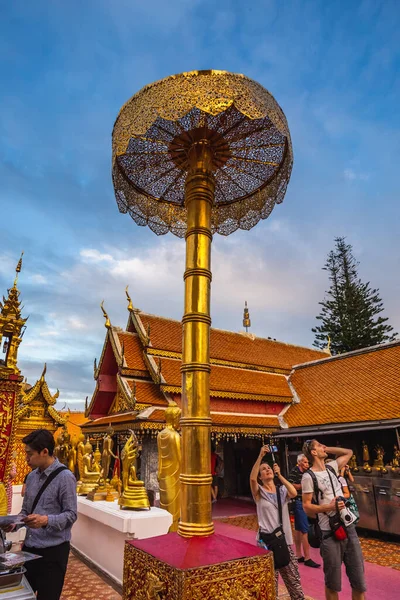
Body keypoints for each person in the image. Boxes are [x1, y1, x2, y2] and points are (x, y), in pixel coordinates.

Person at [302, 440, 366, 600]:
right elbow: (306, 506)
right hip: (328, 532)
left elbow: (348, 452)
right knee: (332, 583)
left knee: (359, 582)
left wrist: (326, 448)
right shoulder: (308, 477)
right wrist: (328, 508)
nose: (324, 447)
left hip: (348, 528)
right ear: (313, 453)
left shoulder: (332, 468)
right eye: (319, 446)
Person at [20, 429, 77, 600]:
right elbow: (25, 511)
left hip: (53, 552)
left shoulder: (65, 477)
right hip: (30, 548)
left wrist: (46, 520)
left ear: (45, 451)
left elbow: (71, 515)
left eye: (29, 454)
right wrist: (15, 522)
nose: (26, 459)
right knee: (24, 595)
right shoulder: (30, 477)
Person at [250, 445, 305, 600]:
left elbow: (294, 492)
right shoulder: (259, 493)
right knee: (269, 585)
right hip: (267, 543)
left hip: (284, 541)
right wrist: (260, 456)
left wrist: (280, 475)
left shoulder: (282, 490)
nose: (267, 470)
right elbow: (252, 479)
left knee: (294, 582)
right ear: (261, 476)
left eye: (269, 468)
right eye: (263, 470)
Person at [288, 454, 320, 568]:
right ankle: (307, 557)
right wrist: (304, 485)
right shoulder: (294, 472)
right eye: (305, 462)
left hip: (306, 501)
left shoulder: (308, 472)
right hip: (298, 501)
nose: (307, 464)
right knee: (304, 529)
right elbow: (291, 485)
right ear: (300, 462)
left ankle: (298, 554)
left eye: (307, 462)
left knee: (298, 528)